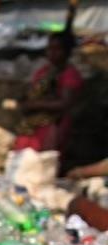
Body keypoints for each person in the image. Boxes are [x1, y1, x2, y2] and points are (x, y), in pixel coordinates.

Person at [14, 30, 83, 159]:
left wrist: (34, 104)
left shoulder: (70, 75)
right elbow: (33, 91)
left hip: (53, 126)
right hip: (32, 125)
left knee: (42, 162)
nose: (52, 53)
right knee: (23, 160)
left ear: (67, 52)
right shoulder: (44, 71)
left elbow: (65, 103)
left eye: (57, 49)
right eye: (50, 49)